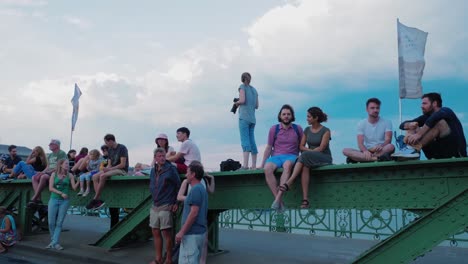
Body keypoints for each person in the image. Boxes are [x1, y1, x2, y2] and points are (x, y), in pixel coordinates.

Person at [272, 107, 333, 209]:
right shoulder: (307, 130)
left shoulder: (326, 131)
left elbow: (322, 148)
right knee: (304, 166)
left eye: (309, 117)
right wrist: (310, 152)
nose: (307, 119)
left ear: (316, 118)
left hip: (324, 157)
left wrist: (308, 152)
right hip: (309, 158)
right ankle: (305, 200)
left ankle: (289, 182)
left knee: (304, 156)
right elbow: (301, 146)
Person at [393, 92, 467, 159]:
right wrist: (409, 124)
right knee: (413, 125)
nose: (421, 106)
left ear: (434, 103)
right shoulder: (426, 117)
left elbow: (435, 118)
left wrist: (419, 134)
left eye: (424, 103)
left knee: (440, 123)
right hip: (435, 154)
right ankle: (411, 151)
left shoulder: (446, 111)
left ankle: (413, 149)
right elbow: (401, 125)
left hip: (455, 154)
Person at [260, 104, 303, 212]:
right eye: (284, 114)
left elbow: (302, 147)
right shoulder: (274, 129)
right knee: (267, 168)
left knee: (287, 165)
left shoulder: (297, 129)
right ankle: (279, 201)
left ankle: (278, 198)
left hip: (291, 156)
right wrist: (262, 163)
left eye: (288, 114)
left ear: (292, 116)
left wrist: (306, 159)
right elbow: (269, 147)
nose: (286, 116)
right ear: (280, 116)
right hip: (276, 157)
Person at [177, 161, 215, 264]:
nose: (186, 174)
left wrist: (182, 232)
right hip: (199, 232)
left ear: (193, 174)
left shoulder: (195, 190)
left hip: (191, 234)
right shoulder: (201, 188)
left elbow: (194, 213)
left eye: (187, 172)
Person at [149, 147, 181, 264]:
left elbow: (178, 186)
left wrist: (176, 202)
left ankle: (168, 259)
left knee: (166, 233)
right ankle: (158, 259)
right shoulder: (153, 170)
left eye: (163, 156)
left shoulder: (171, 169)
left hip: (166, 204)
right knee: (155, 232)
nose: (162, 158)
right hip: (155, 204)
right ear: (155, 158)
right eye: (160, 156)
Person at [342, 98, 395, 162]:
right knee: (345, 150)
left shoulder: (387, 122)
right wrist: (365, 151)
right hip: (368, 151)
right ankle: (375, 159)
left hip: (381, 150)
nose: (375, 110)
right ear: (367, 109)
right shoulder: (361, 123)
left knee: (391, 146)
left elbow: (388, 140)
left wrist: (381, 146)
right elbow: (360, 143)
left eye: (377, 108)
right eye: (372, 108)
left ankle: (360, 158)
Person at [86, 134, 129, 210]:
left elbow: (122, 164)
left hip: (121, 170)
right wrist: (105, 168)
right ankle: (98, 200)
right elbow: (109, 165)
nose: (106, 144)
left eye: (106, 142)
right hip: (112, 169)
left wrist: (109, 169)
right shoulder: (109, 150)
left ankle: (95, 199)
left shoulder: (122, 148)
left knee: (102, 176)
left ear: (111, 141)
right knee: (95, 176)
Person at [46, 159, 77, 250]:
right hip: (54, 199)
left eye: (68, 164)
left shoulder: (70, 175)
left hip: (65, 201)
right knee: (51, 222)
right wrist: (61, 193)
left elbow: (74, 188)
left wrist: (79, 180)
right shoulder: (53, 174)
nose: (68, 165)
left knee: (59, 222)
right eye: (66, 164)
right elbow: (50, 188)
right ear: (61, 165)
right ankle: (54, 242)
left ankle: (55, 243)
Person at [29, 139, 67, 206]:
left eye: (51, 144)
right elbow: (48, 166)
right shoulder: (50, 155)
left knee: (43, 177)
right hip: (49, 173)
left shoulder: (61, 153)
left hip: (57, 173)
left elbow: (59, 166)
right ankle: (39, 200)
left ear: (56, 145)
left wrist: (46, 173)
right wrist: (42, 172)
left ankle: (35, 197)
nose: (49, 145)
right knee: (34, 177)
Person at [234, 72, 259, 169]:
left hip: (244, 117)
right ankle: (253, 165)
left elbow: (242, 100)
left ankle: (245, 165)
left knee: (245, 140)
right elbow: (256, 106)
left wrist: (237, 103)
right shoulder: (254, 90)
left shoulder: (242, 87)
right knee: (252, 140)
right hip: (252, 119)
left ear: (242, 79)